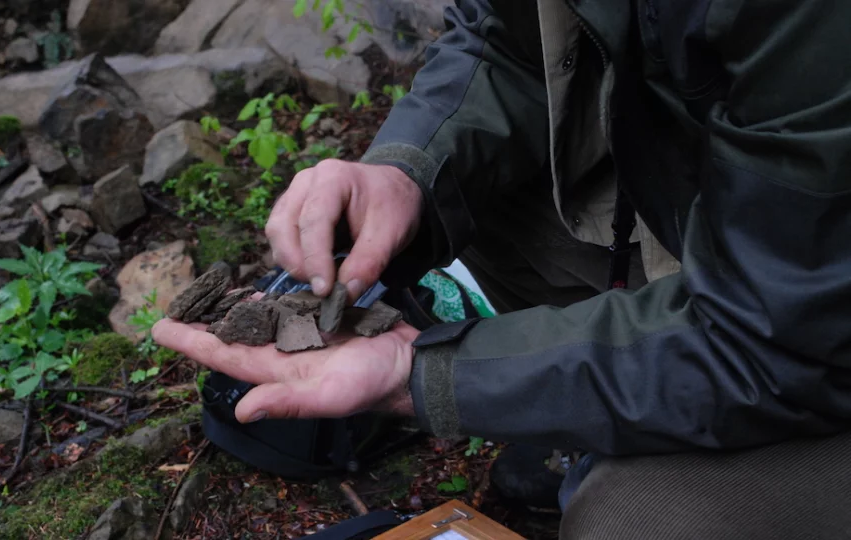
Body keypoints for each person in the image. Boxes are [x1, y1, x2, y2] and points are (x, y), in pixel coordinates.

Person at [153, 0, 851, 537]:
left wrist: (423, 375)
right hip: (762, 240)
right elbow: (509, 42)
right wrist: (408, 172)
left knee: (634, 517)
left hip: (805, 324)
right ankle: (604, 415)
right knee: (458, 215)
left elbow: (775, 338)